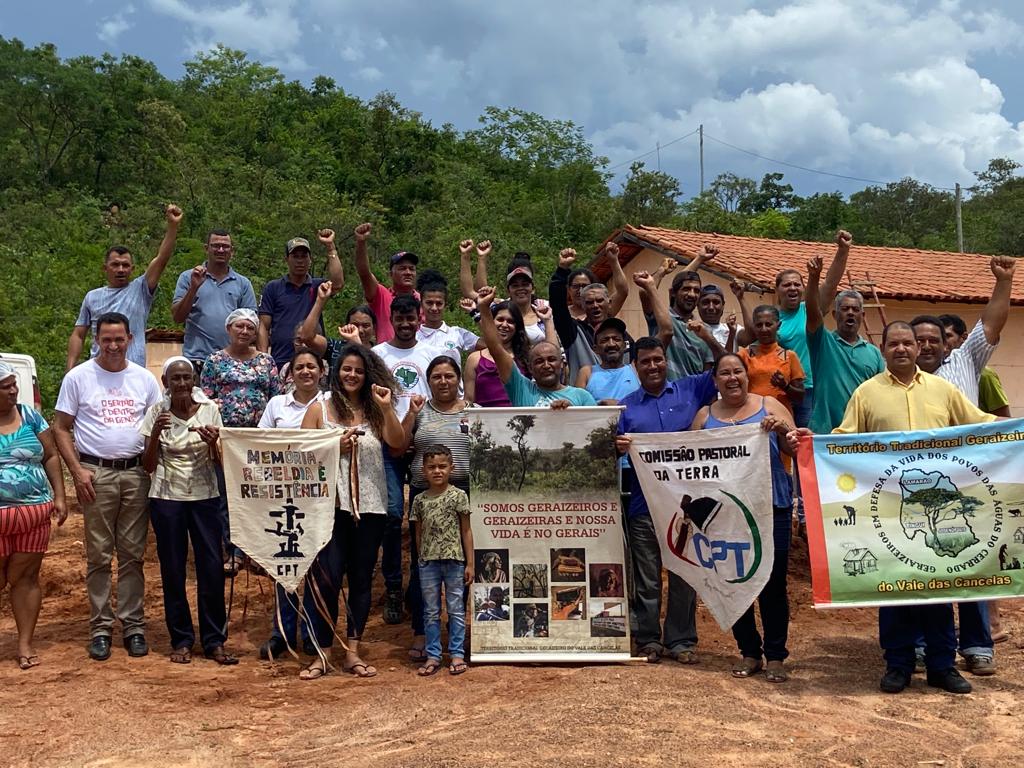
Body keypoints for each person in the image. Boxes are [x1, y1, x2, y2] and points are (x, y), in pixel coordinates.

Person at [789, 321, 997, 694]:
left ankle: (942, 666)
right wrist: (810, 441)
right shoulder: (867, 394)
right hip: (890, 510)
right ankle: (898, 664)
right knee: (893, 587)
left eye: (908, 343)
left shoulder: (943, 390)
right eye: (894, 344)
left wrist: (1016, 430)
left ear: (918, 348)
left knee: (937, 586)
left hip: (941, 509)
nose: (901, 349)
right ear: (883, 350)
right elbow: (843, 441)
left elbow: (980, 426)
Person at [908, 258, 1015, 676]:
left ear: (946, 344)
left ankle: (976, 645)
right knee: (918, 563)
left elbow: (992, 322)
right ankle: (921, 645)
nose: (928, 345)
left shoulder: (966, 361)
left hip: (969, 482)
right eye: (920, 340)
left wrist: (1004, 282)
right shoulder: (896, 377)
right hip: (916, 486)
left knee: (969, 559)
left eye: (935, 338)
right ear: (909, 345)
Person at [53, 312, 162, 661]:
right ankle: (100, 627)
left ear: (130, 339)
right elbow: (60, 428)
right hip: (94, 475)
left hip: (135, 475)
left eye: (119, 339)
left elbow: (155, 430)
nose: (113, 346)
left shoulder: (144, 379)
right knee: (99, 556)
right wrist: (76, 471)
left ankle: (133, 627)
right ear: (96, 340)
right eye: (106, 339)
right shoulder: (79, 378)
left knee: (132, 555)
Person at [299, 343, 405, 679]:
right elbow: (302, 456)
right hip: (330, 507)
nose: (352, 375)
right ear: (336, 371)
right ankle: (321, 653)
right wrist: (334, 445)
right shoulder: (320, 409)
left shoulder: (377, 409)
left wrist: (387, 409)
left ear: (367, 374)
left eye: (359, 370)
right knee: (326, 579)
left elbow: (397, 443)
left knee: (360, 580)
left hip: (371, 506)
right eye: (347, 369)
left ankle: (353, 652)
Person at [691, 354, 795, 682]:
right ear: (715, 380)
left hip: (771, 506)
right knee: (736, 583)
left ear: (747, 376)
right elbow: (687, 460)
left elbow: (796, 448)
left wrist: (781, 430)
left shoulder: (771, 406)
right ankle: (750, 651)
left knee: (773, 582)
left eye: (738, 371)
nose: (732, 377)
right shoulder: (705, 415)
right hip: (725, 514)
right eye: (725, 373)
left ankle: (776, 656)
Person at [615, 336, 718, 664]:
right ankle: (648, 639)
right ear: (636, 366)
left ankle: (681, 640)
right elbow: (608, 449)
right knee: (647, 576)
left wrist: (705, 336)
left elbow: (725, 363)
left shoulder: (692, 389)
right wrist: (617, 448)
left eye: (658, 359)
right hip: (643, 507)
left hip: (686, 508)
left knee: (685, 574)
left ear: (666, 360)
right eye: (645, 361)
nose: (653, 366)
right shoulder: (625, 407)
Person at [141, 358, 235, 666]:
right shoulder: (157, 413)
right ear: (165, 382)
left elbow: (222, 463)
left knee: (211, 566)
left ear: (194, 380)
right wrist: (155, 433)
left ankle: (214, 640)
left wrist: (213, 444)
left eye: (186, 377)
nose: (181, 383)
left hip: (205, 496)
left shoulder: (210, 411)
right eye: (175, 378)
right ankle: (181, 639)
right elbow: (148, 465)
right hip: (167, 498)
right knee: (173, 569)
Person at [372, 295, 460, 623]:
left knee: (420, 517)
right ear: (391, 319)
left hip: (425, 445)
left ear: (419, 318)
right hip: (390, 444)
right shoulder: (379, 355)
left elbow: (444, 394)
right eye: (400, 318)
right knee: (393, 515)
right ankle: (393, 587)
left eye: (412, 318)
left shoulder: (431, 354)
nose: (406, 323)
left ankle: (415, 587)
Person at [254, 348, 327, 660]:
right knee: (284, 562)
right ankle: (281, 631)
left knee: (315, 564)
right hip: (281, 495)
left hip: (318, 497)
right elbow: (258, 443)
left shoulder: (330, 404)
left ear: (321, 372)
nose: (306, 371)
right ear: (290, 373)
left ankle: (312, 631)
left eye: (312, 366)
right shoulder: (276, 404)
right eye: (300, 367)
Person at [402, 356, 474, 664]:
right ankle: (421, 631)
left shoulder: (474, 413)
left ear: (458, 379)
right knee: (422, 565)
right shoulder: (420, 411)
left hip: (465, 495)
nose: (442, 381)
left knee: (464, 567)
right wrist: (409, 414)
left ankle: (462, 634)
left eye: (448, 376)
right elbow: (399, 444)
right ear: (428, 381)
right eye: (436, 376)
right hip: (424, 494)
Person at [200, 308, 282, 573]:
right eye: (239, 327)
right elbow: (205, 400)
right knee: (227, 496)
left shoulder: (266, 363)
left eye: (250, 327)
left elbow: (275, 399)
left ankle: (258, 553)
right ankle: (234, 551)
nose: (245, 332)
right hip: (225, 439)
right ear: (229, 329)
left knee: (257, 495)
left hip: (258, 439)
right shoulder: (214, 361)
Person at [0, 361, 68, 669]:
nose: (14, 390)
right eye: (6, 386)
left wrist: (61, 496)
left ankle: (25, 643)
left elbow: (51, 456)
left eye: (14, 384)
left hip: (33, 513)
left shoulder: (30, 415)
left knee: (25, 578)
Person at [751, 230, 852, 430]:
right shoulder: (770, 320)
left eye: (797, 284)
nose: (793, 288)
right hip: (781, 391)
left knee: (810, 440)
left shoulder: (811, 310)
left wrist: (842, 250)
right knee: (786, 441)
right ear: (777, 289)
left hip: (814, 388)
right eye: (787, 285)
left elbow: (831, 284)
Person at [68, 204, 182, 370]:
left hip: (133, 372)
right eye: (115, 264)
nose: (120, 269)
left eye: (125, 265)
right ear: (105, 268)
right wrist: (70, 370)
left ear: (132, 269)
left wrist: (173, 226)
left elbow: (162, 258)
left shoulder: (141, 289)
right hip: (99, 371)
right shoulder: (92, 297)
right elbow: (78, 334)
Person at [805, 248, 885, 434]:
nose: (850, 313)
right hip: (825, 434)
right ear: (835, 314)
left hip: (861, 436)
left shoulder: (873, 352)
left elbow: (883, 391)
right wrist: (813, 278)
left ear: (862, 315)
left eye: (855, 310)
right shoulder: (822, 343)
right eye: (845, 309)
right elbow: (812, 311)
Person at [411, 444, 474, 677]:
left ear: (451, 468)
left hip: (455, 560)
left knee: (456, 609)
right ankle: (433, 655)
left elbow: (466, 531)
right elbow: (418, 532)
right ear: (424, 470)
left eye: (442, 466)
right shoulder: (419, 500)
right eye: (431, 467)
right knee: (430, 610)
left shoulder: (459, 496)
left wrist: (470, 563)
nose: (437, 471)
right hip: (428, 563)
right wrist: (420, 559)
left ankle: (457, 654)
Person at [476, 286, 597, 408]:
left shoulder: (582, 397)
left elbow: (596, 426)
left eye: (552, 360)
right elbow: (496, 349)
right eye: (539, 361)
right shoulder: (521, 389)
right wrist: (484, 308)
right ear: (530, 368)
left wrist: (572, 412)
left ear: (562, 363)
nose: (546, 365)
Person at [172, 228, 258, 373]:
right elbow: (178, 317)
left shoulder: (243, 283)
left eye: (225, 246)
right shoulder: (188, 277)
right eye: (215, 245)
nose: (220, 250)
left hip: (231, 360)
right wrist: (193, 288)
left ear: (232, 251)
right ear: (206, 248)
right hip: (197, 359)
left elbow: (251, 325)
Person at [258, 230, 344, 370]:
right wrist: (263, 359)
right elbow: (263, 326)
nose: (300, 260)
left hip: (312, 361)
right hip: (280, 360)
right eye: (295, 256)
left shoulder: (318, 287)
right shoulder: (273, 288)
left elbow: (338, 283)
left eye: (304, 256)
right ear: (286, 259)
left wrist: (330, 247)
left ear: (310, 259)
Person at [550, 244, 634, 384]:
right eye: (589, 302)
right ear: (583, 306)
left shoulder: (623, 334)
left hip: (623, 401)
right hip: (587, 402)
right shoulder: (573, 332)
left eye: (600, 301)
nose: (595, 305)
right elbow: (557, 304)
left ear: (609, 303)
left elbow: (623, 290)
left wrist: (613, 260)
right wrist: (562, 270)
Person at [642, 245, 723, 378]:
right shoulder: (662, 318)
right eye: (686, 289)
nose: (692, 294)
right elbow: (646, 292)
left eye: (696, 291)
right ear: (673, 293)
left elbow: (707, 374)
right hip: (665, 395)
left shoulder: (703, 330)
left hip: (693, 397)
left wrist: (700, 259)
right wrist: (662, 271)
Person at [459, 239, 554, 345]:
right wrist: (468, 256)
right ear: (508, 290)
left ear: (533, 288)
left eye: (525, 284)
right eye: (515, 285)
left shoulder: (546, 308)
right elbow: (472, 293)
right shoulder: (501, 309)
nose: (520, 288)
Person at [352, 222, 419, 343]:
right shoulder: (381, 296)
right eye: (402, 268)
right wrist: (361, 242)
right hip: (386, 358)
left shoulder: (422, 300)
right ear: (390, 274)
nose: (408, 272)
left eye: (412, 268)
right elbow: (364, 273)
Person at [738, 306, 805, 420]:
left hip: (781, 419)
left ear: (778, 325)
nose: (764, 329)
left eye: (768, 324)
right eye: (759, 325)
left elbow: (800, 396)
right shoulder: (745, 354)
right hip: (752, 418)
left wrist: (785, 386)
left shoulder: (788, 356)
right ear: (754, 327)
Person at [938, 314, 1011, 418]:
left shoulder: (985, 375)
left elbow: (1003, 416)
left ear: (963, 338)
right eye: (938, 337)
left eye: (948, 336)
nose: (942, 342)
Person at [463, 301, 532, 407]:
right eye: (500, 319)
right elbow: (468, 400)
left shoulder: (527, 357)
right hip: (485, 420)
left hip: (520, 419)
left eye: (510, 321)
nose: (504, 325)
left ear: (517, 326)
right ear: (491, 321)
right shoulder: (474, 359)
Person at [574, 317, 640, 404]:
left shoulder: (636, 370)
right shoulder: (587, 373)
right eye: (605, 340)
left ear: (624, 345)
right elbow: (577, 407)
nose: (611, 344)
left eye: (616, 339)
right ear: (595, 349)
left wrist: (618, 404)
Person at [415, 269, 479, 353]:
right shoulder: (414, 338)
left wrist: (475, 313)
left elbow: (492, 345)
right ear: (421, 304)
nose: (434, 308)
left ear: (445, 304)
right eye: (429, 303)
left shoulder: (457, 333)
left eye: (439, 303)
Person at [698, 284, 741, 352]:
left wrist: (741, 298)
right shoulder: (690, 330)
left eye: (716, 302)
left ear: (723, 305)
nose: (711, 307)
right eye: (705, 302)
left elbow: (752, 334)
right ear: (697, 305)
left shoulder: (733, 328)